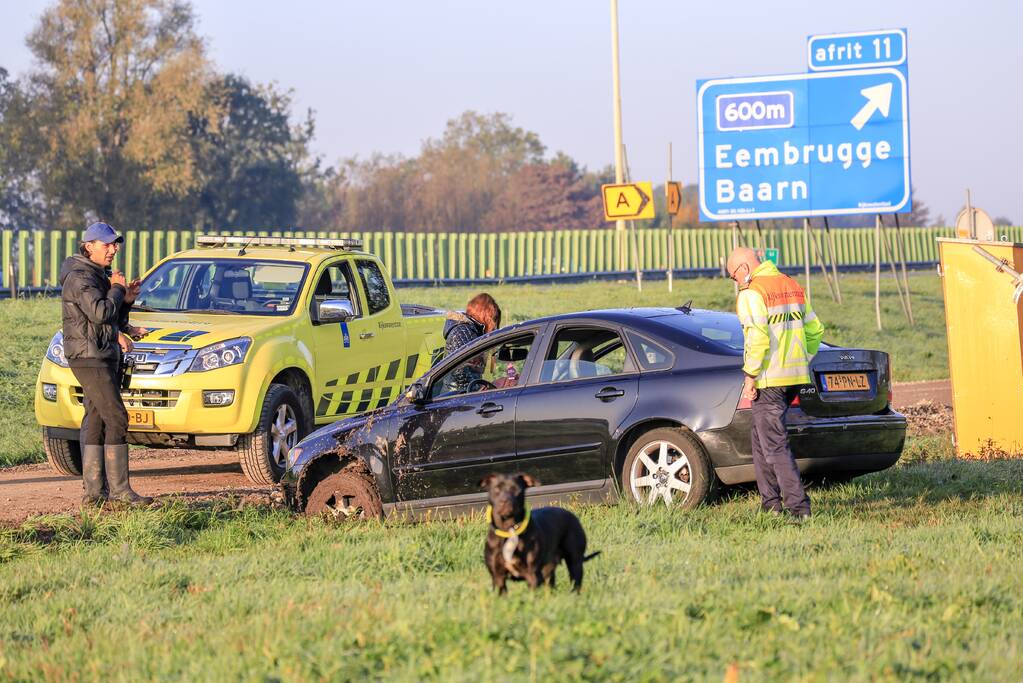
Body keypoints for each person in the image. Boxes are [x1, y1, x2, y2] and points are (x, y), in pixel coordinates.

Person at [727, 247, 824, 520]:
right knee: (760, 438)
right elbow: (815, 330)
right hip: (794, 377)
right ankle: (769, 503)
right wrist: (801, 358)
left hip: (769, 379)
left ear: (745, 268)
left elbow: (756, 338)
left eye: (734, 276)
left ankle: (799, 508)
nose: (735, 282)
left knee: (775, 445)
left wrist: (750, 376)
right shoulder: (791, 285)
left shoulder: (752, 294)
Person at [60, 222, 152, 506]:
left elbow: (107, 317)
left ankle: (94, 495)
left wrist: (125, 300)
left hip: (98, 353)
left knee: (97, 419)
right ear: (89, 246)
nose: (114, 249)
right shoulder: (80, 277)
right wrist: (116, 289)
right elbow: (100, 313)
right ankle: (120, 492)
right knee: (117, 418)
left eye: (115, 244)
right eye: (107, 244)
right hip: (90, 356)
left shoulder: (95, 274)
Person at [442, 293, 502, 393]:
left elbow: (470, 366)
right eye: (493, 318)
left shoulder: (471, 331)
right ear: (484, 315)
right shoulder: (462, 331)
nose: (494, 325)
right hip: (456, 395)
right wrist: (476, 390)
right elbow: (459, 369)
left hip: (462, 393)